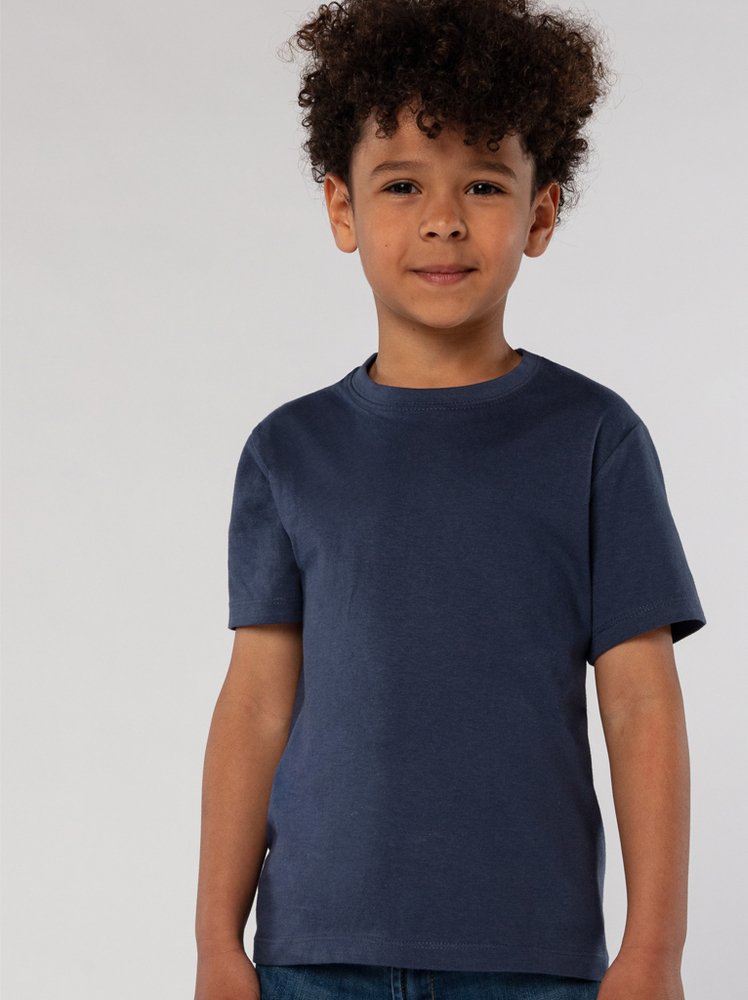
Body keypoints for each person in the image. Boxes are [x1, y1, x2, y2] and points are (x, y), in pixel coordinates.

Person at [193, 1, 707, 998]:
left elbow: (641, 699)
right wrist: (217, 941)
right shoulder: (287, 451)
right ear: (341, 209)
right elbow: (255, 701)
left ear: (540, 213)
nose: (443, 218)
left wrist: (653, 950)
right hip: (315, 956)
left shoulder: (594, 440)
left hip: (528, 958)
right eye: (401, 184)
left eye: (482, 182)